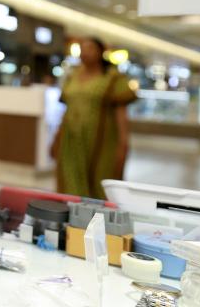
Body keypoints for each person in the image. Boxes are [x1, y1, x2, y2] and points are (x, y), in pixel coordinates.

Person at [51, 37, 136, 198]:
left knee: (99, 180)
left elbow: (121, 113)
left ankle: (95, 221)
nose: (85, 53)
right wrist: (57, 136)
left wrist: (123, 143)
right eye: (82, 48)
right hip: (70, 140)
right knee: (70, 179)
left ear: (101, 52)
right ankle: (72, 218)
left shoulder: (113, 78)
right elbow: (67, 108)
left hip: (101, 142)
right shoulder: (72, 75)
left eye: (90, 48)